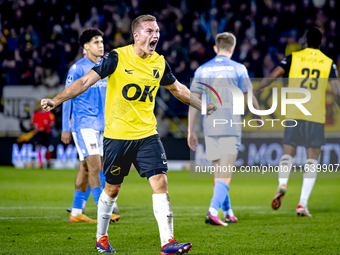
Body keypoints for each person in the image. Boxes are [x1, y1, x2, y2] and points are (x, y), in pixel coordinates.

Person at [41, 14, 216, 254]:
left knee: (161, 182)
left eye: (157, 31)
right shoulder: (116, 58)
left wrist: (203, 105)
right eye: (149, 31)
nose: (155, 35)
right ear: (136, 35)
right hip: (117, 137)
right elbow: (83, 83)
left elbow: (178, 90)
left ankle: (167, 242)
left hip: (147, 135)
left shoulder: (159, 62)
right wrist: (56, 100)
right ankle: (101, 238)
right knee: (112, 189)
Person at [254, 27, 340, 217]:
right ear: (321, 42)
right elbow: (336, 92)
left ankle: (282, 183)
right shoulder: (328, 62)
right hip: (315, 116)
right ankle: (302, 203)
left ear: (305, 41)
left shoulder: (294, 57)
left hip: (294, 113)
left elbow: (271, 76)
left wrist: (256, 90)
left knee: (288, 153)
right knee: (311, 161)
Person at [188, 32, 262, 226]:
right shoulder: (239, 68)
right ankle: (213, 211)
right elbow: (249, 95)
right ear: (232, 49)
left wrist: (190, 130)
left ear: (215, 48)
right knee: (226, 173)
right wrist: (258, 114)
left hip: (209, 127)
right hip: (230, 126)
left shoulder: (202, 69)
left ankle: (227, 210)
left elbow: (192, 100)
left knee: (219, 173)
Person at [61, 28, 119, 223]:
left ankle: (76, 212)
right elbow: (67, 97)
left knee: (87, 168)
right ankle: (105, 210)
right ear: (85, 47)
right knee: (95, 168)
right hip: (83, 125)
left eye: (102, 41)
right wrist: (65, 127)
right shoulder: (77, 69)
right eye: (96, 42)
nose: (101, 45)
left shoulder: (106, 67)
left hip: (103, 126)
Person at [32, 104, 55, 168]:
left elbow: (52, 122)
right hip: (39, 133)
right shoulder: (36, 114)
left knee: (48, 147)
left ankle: (48, 162)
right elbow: (34, 123)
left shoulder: (49, 113)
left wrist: (45, 127)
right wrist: (37, 128)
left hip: (46, 132)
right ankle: (40, 163)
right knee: (39, 146)